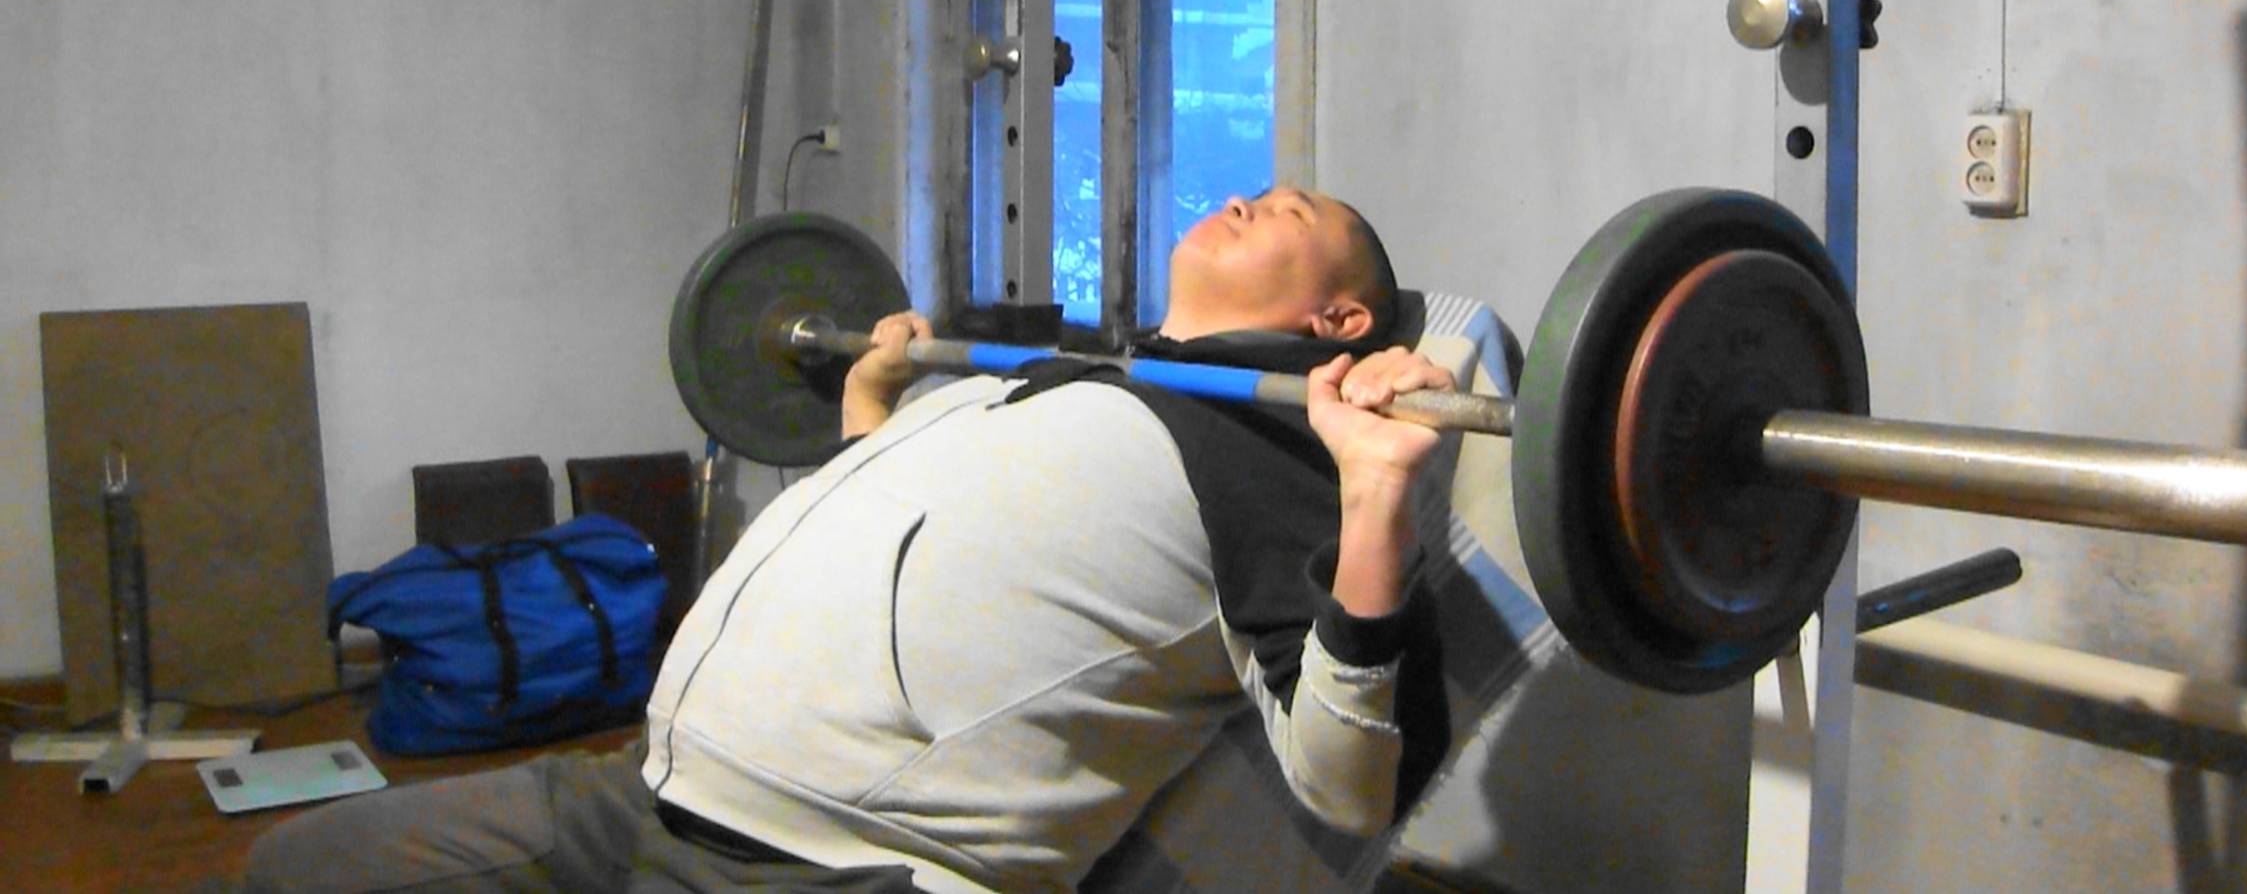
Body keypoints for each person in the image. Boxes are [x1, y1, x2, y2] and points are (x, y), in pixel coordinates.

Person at [244, 187, 1456, 894]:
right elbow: (910, 555)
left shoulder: (1277, 453)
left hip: (825, 867)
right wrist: (866, 410)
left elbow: (1355, 789)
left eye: (1291, 209)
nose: (1248, 198)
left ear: (1337, 317)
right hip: (644, 790)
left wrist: (1375, 499)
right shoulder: (1057, 383)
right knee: (301, 867)